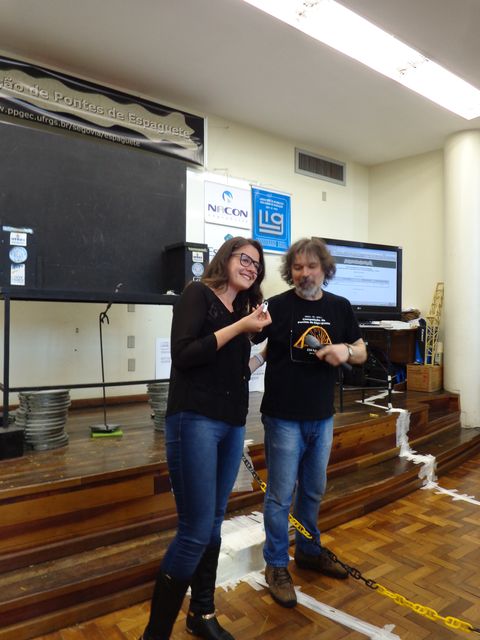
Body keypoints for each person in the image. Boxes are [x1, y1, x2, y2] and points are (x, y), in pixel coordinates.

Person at [140, 237, 271, 640]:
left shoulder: (241, 312)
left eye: (256, 264)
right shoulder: (197, 294)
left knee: (213, 523)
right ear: (226, 259)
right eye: (244, 259)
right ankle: (154, 635)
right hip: (194, 419)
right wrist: (241, 327)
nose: (250, 267)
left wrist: (264, 353)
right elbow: (184, 354)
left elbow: (237, 371)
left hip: (231, 425)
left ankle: (202, 613)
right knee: (195, 530)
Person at [253, 237, 367, 609]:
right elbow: (258, 341)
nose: (305, 273)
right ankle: (275, 564)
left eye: (312, 266)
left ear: (324, 269)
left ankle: (308, 551)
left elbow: (361, 350)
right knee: (280, 495)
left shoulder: (340, 307)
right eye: (298, 267)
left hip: (322, 417)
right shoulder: (277, 306)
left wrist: (344, 350)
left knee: (314, 490)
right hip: (282, 417)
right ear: (291, 271)